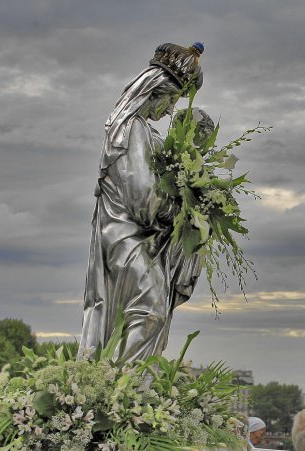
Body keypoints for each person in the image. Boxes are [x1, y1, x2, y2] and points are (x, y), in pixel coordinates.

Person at [79, 42, 205, 362]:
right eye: (171, 101)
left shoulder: (146, 133)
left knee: (143, 311)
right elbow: (142, 198)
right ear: (154, 92)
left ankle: (123, 387)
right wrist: (181, 212)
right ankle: (121, 388)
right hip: (123, 236)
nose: (169, 111)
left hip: (130, 236)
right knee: (151, 311)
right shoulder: (132, 129)